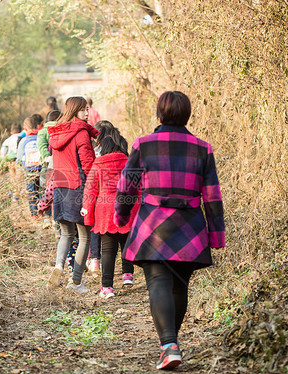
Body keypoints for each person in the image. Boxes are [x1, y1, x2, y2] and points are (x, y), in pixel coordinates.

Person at [114, 91, 225, 370]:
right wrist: (216, 233)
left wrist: (121, 214)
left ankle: (169, 345)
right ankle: (171, 344)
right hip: (190, 227)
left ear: (159, 114)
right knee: (179, 284)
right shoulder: (203, 148)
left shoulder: (144, 144)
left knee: (158, 282)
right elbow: (212, 195)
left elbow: (127, 186)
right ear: (187, 115)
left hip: (153, 225)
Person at [46, 96, 99, 294]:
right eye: (83, 109)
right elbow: (88, 164)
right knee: (85, 235)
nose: (87, 113)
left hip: (60, 187)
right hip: (79, 187)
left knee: (66, 233)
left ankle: (59, 266)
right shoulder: (81, 133)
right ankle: (75, 282)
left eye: (87, 109)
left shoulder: (56, 133)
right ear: (75, 110)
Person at [82, 135, 138, 299]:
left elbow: (90, 192)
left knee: (108, 251)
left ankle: (107, 287)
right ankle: (128, 275)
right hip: (126, 209)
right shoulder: (128, 162)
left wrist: (87, 214)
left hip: (105, 212)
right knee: (126, 244)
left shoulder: (97, 165)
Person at [86, 120, 130, 273]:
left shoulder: (97, 151)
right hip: (122, 199)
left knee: (98, 231)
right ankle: (127, 273)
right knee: (123, 238)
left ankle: (95, 261)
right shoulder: (120, 144)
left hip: (101, 197)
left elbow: (91, 182)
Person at [16, 116, 42, 217]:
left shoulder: (23, 141)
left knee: (32, 193)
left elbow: (19, 158)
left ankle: (34, 215)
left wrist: (21, 167)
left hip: (29, 171)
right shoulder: (40, 138)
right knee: (42, 191)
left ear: (25, 129)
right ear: (37, 127)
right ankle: (43, 214)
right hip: (41, 169)